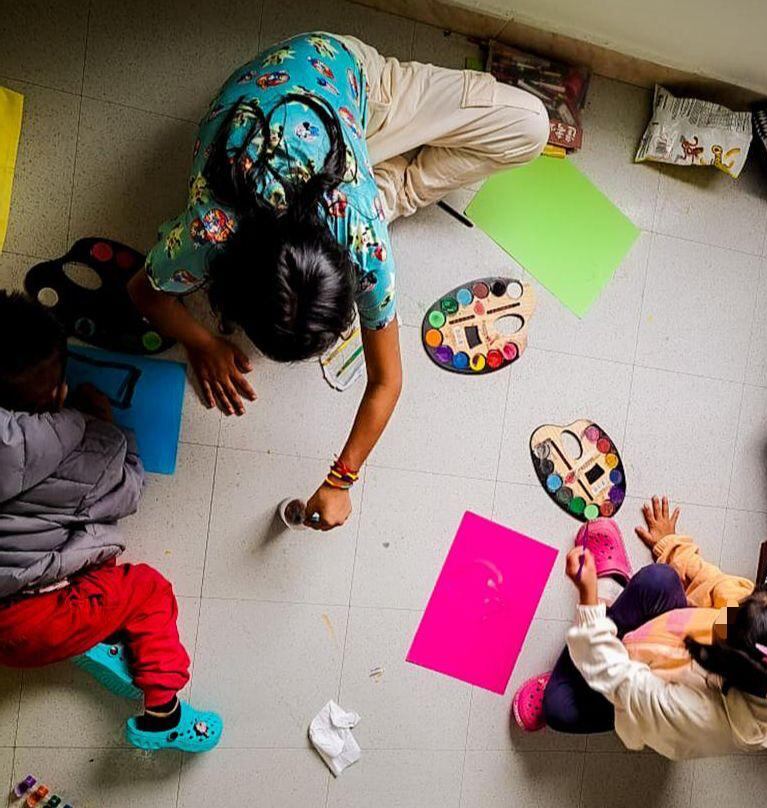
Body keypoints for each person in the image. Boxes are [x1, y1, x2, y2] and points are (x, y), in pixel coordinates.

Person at [127, 31, 549, 531]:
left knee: (532, 125)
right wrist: (203, 343)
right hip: (317, 101)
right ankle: (388, 182)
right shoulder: (212, 229)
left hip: (353, 92)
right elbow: (141, 291)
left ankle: (392, 186)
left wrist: (341, 479)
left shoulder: (359, 232)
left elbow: (386, 381)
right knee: (415, 176)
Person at [0, 291, 222, 753]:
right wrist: (111, 430)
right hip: (30, 625)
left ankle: (99, 635)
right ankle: (164, 712)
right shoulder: (83, 443)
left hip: (21, 603)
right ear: (57, 391)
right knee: (147, 588)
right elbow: (126, 492)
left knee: (92, 565)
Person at [513, 497, 767, 759]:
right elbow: (717, 584)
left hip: (644, 690)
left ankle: (592, 629)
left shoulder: (692, 714)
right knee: (660, 578)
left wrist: (589, 595)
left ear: (731, 661)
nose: (734, 605)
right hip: (661, 644)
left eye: (732, 617)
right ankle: (598, 634)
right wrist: (671, 544)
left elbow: (617, 675)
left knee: (559, 708)